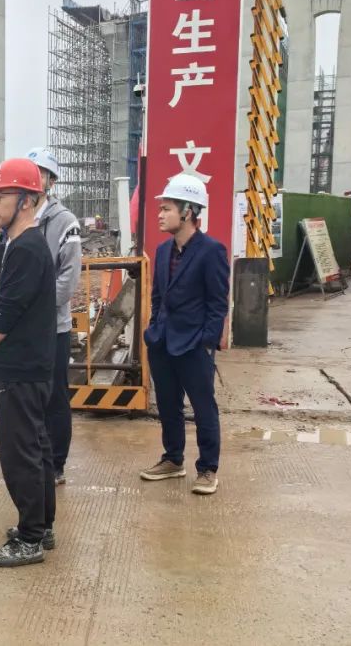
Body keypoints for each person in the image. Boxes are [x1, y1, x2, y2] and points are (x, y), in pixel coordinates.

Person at [0, 158, 57, 567]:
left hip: (22, 368)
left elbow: (8, 310)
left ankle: (29, 539)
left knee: (19, 452)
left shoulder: (26, 248)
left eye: (1, 195)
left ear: (26, 200)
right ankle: (42, 526)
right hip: (30, 364)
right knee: (36, 447)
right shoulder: (19, 244)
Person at [0, 148, 81, 487]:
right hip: (20, 330)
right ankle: (28, 446)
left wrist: (34, 310)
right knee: (26, 401)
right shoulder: (12, 222)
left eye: (41, 172)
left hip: (52, 327)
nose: (34, 176)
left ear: (51, 181)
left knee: (54, 396)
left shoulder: (65, 222)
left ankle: (55, 461)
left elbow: (67, 280)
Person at [140, 174, 229, 496]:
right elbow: (158, 297)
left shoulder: (211, 251)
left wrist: (206, 342)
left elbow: (218, 304)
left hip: (193, 345)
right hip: (163, 342)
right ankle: (173, 459)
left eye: (167, 209)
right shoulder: (163, 250)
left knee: (203, 408)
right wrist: (155, 329)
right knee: (168, 406)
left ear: (188, 211)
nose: (160, 215)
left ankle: (207, 469)